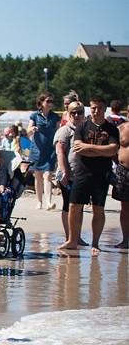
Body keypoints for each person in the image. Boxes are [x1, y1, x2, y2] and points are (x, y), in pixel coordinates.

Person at [58, 96, 119, 255]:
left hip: (101, 175)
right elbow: (78, 148)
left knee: (98, 209)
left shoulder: (112, 129)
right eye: (93, 108)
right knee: (73, 206)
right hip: (82, 172)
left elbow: (113, 150)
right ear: (89, 108)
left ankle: (95, 243)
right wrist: (101, 150)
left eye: (99, 108)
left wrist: (89, 148)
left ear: (105, 109)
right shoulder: (82, 126)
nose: (96, 111)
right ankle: (72, 240)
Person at [54, 101, 86, 245]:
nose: (77, 115)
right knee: (68, 204)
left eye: (80, 112)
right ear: (68, 113)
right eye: (74, 112)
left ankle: (77, 237)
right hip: (67, 174)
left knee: (79, 206)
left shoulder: (85, 129)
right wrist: (65, 172)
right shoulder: (65, 130)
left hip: (82, 174)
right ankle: (69, 237)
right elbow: (60, 152)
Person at [27, 92, 60, 210]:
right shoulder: (35, 116)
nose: (50, 104)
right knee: (38, 176)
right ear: (41, 102)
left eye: (52, 101)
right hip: (37, 149)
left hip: (50, 150)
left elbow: (58, 132)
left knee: (48, 175)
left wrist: (58, 148)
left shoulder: (55, 117)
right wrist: (32, 129)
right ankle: (39, 201)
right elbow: (28, 131)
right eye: (48, 101)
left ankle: (48, 202)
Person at [113, 118, 129, 248]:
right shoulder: (120, 129)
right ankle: (125, 239)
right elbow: (113, 148)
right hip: (124, 170)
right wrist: (118, 163)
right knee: (124, 207)